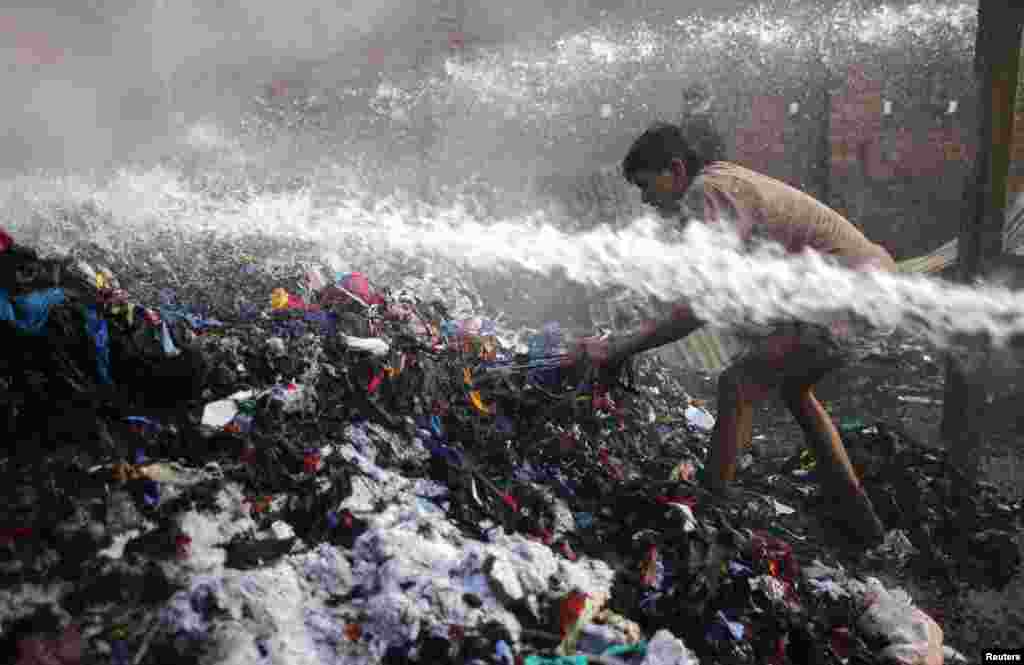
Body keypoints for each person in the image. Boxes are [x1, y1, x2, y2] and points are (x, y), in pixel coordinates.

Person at [566, 122, 895, 546]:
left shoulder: (709, 193)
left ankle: (707, 512)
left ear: (676, 169)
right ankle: (864, 525)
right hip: (867, 286)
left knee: (737, 383)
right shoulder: (722, 184)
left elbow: (701, 305)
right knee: (794, 391)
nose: (646, 200)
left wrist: (619, 348)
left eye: (647, 186)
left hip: (849, 293)